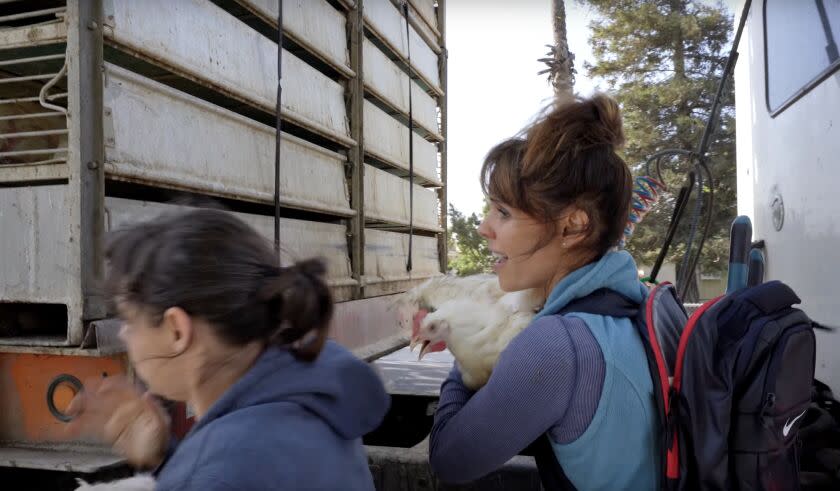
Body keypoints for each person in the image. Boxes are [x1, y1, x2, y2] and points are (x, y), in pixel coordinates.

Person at [428, 94, 660, 490]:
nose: (485, 227)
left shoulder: (556, 346)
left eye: (504, 212)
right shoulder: (629, 304)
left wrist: (463, 340)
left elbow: (450, 459)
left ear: (573, 227)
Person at [67, 208, 390, 490]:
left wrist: (190, 470)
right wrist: (167, 456)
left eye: (130, 319)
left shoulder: (218, 472)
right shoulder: (311, 399)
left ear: (177, 330)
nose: (125, 334)